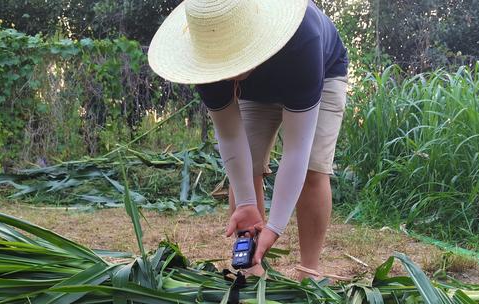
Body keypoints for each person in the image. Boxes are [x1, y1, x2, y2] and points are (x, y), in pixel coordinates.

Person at [149, 0, 348, 279]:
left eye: (232, 62)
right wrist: (245, 203)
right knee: (247, 167)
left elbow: (296, 149)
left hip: (321, 72)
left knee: (315, 167)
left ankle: (309, 270)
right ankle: (250, 266)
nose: (227, 74)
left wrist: (276, 227)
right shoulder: (207, 53)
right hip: (256, 87)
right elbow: (230, 137)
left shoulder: (304, 39)